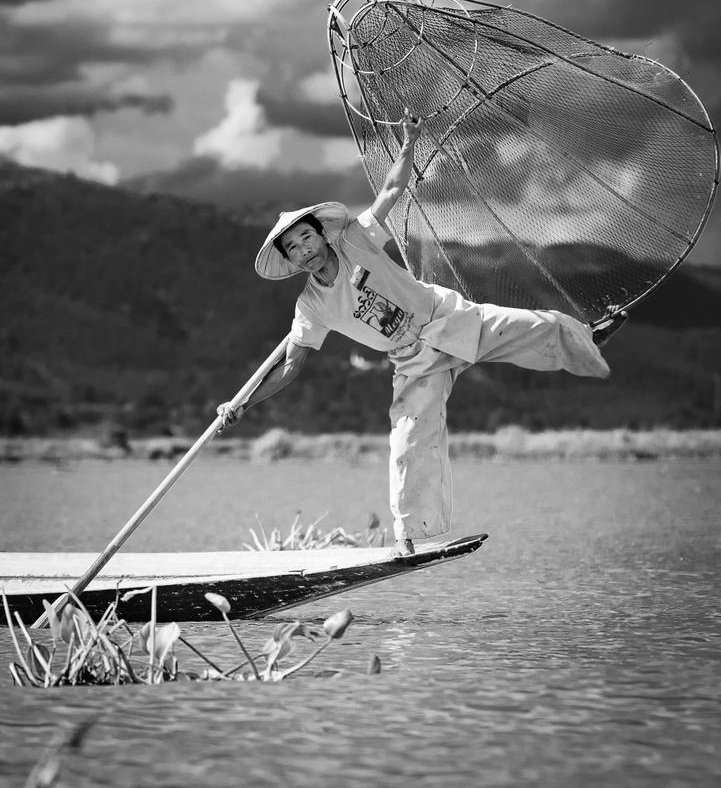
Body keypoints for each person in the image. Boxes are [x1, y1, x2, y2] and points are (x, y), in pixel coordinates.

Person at [217, 110, 627, 556]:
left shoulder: (355, 239)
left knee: (538, 326)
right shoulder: (311, 306)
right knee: (408, 444)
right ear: (292, 262)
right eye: (293, 249)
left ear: (321, 235)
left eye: (306, 239)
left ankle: (589, 337)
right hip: (413, 361)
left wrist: (409, 142)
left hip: (449, 319)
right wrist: (242, 405)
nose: (303, 251)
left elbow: (392, 189)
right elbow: (290, 367)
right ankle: (409, 539)